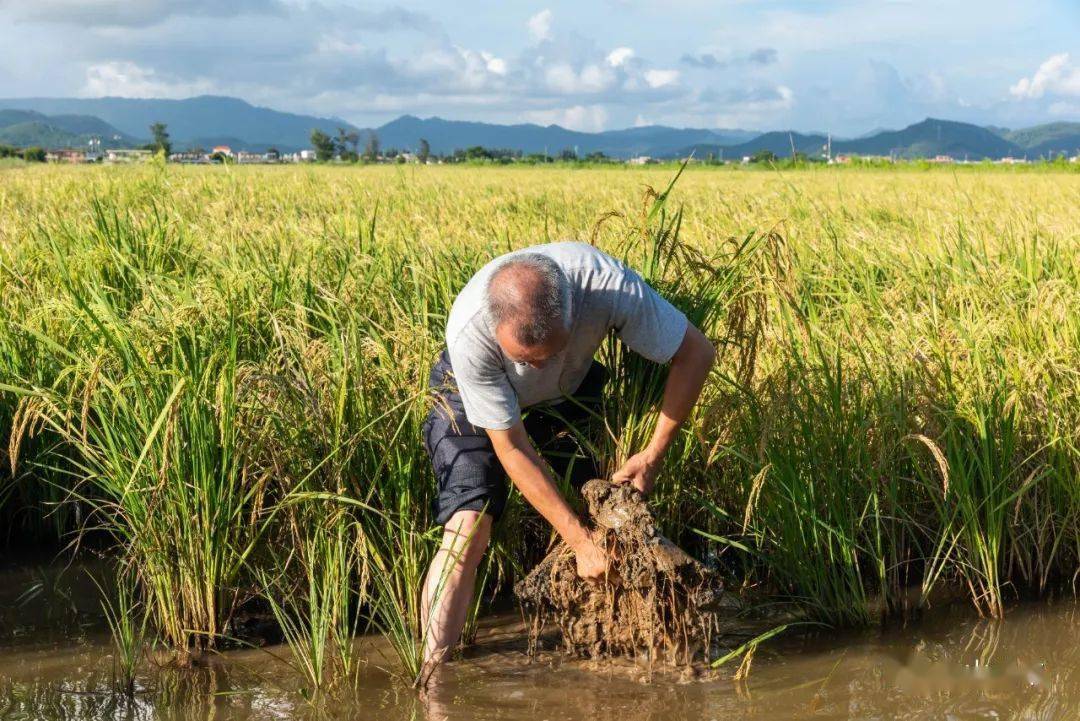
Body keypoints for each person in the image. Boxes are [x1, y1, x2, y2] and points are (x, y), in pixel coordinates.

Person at [419, 241, 716, 679]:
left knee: (606, 506)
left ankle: (634, 647)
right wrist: (578, 543)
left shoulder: (608, 286)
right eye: (525, 360)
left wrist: (651, 456)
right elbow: (513, 447)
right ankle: (432, 674)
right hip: (467, 399)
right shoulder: (471, 333)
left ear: (574, 312)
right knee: (469, 526)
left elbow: (697, 352)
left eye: (549, 353)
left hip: (569, 391)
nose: (536, 368)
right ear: (498, 331)